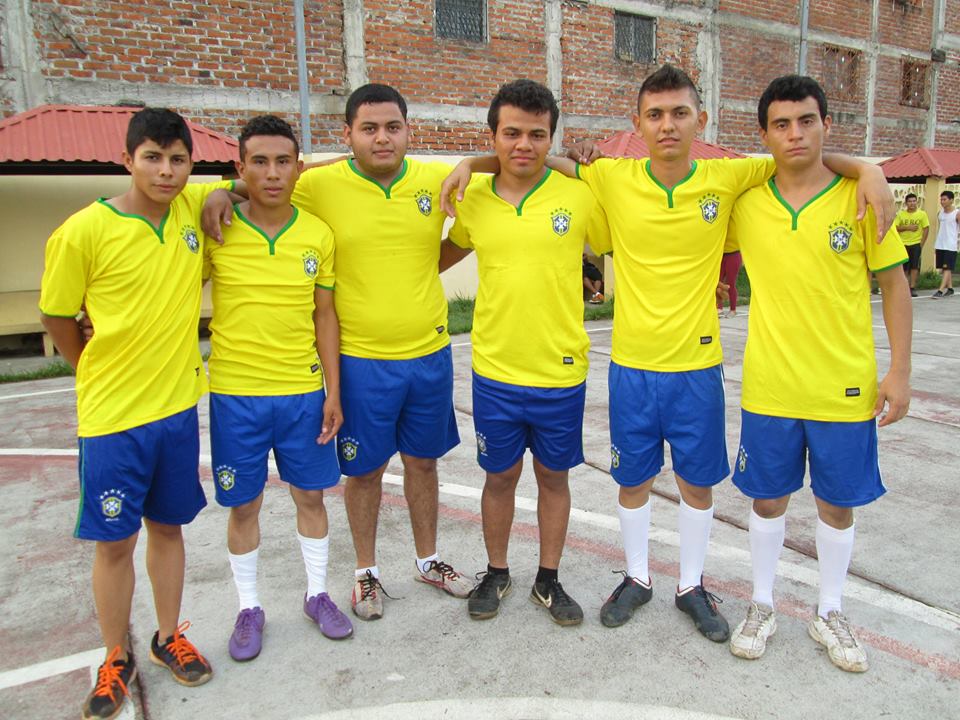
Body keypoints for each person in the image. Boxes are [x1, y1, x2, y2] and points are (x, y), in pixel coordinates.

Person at [442, 63, 893, 644]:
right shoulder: (612, 177)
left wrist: (869, 170)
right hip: (631, 364)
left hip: (698, 368)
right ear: (638, 123)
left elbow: (801, 153)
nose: (668, 125)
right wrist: (471, 161)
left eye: (680, 112)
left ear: (700, 119)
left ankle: (691, 585)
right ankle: (635, 577)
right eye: (655, 114)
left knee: (695, 483)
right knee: (632, 481)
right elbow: (533, 155)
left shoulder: (730, 177)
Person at [202, 84, 473, 621]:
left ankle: (429, 560)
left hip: (429, 354)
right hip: (360, 360)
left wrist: (419, 268)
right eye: (368, 128)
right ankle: (366, 575)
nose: (381, 137)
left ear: (407, 130)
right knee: (365, 471)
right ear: (347, 135)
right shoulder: (319, 185)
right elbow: (267, 182)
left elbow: (470, 225)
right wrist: (221, 190)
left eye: (392, 126)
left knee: (423, 463)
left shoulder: (434, 180)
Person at [40, 108, 224, 719]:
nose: (166, 171)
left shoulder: (192, 211)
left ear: (190, 164)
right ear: (127, 159)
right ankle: (114, 655)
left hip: (175, 409)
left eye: (177, 159)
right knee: (114, 541)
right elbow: (57, 315)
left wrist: (228, 191)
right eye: (152, 157)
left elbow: (256, 178)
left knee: (167, 530)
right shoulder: (84, 230)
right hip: (113, 416)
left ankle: (167, 634)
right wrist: (87, 365)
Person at [725, 75, 911, 672]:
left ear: (826, 125)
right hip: (771, 386)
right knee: (768, 501)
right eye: (781, 124)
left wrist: (899, 370)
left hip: (844, 387)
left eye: (806, 121)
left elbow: (895, 286)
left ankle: (830, 611)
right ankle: (761, 603)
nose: (795, 133)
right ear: (764, 134)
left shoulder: (859, 197)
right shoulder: (747, 202)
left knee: (837, 506)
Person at [439, 79, 609, 625]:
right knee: (500, 477)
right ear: (493, 136)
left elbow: (618, 239)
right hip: (494, 370)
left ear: (551, 137)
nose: (523, 145)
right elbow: (441, 254)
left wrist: (576, 162)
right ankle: (496, 570)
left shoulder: (579, 195)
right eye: (511, 133)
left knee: (554, 478)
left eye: (538, 134)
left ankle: (549, 579)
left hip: (561, 370)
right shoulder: (475, 200)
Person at [203, 115, 352, 662]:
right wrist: (217, 193)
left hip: (302, 394)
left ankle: (317, 595)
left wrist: (333, 392)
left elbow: (325, 315)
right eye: (259, 162)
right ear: (239, 167)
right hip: (235, 396)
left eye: (283, 161)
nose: (272, 173)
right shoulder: (216, 227)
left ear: (298, 167)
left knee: (311, 496)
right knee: (244, 506)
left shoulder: (316, 233)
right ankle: (249, 607)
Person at [894, 192, 929, 297]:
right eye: (910, 201)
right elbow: (895, 228)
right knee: (904, 267)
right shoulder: (901, 214)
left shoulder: (922, 214)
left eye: (914, 201)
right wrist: (907, 227)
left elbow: (926, 228)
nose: (912, 203)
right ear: (906, 203)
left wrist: (922, 243)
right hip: (903, 243)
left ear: (916, 202)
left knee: (914, 266)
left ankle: (912, 287)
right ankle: (904, 287)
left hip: (916, 243)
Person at [932, 190, 958, 298]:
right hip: (940, 243)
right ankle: (950, 288)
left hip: (950, 245)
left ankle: (940, 290)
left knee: (947, 268)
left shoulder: (957, 213)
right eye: (941, 199)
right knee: (944, 268)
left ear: (951, 200)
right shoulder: (940, 213)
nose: (942, 202)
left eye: (945, 199)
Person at [717, 250, 742, 317]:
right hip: (720, 254)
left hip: (734, 254)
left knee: (730, 283)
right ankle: (719, 308)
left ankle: (733, 310)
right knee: (717, 282)